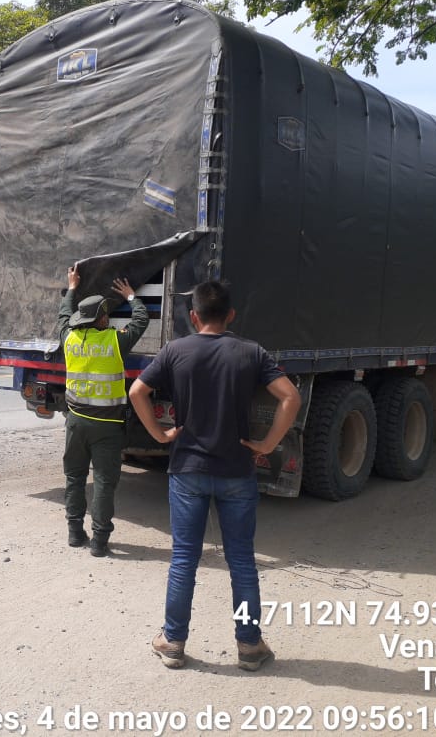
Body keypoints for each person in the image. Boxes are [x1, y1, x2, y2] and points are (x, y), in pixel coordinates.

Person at [128, 280, 301, 672]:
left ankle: (173, 641)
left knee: (184, 559)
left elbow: (138, 391)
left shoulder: (175, 350)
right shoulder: (250, 352)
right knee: (241, 561)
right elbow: (291, 397)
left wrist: (160, 435)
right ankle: (249, 645)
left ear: (193, 317)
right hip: (237, 469)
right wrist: (268, 443)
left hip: (188, 468)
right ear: (231, 315)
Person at [56, 265, 148, 556]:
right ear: (102, 319)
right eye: (106, 314)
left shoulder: (69, 338)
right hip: (107, 428)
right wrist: (132, 296)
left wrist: (72, 286)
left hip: (75, 423)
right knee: (104, 484)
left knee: (74, 478)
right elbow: (141, 320)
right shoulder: (115, 341)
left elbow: (62, 315)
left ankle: (74, 533)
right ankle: (99, 542)